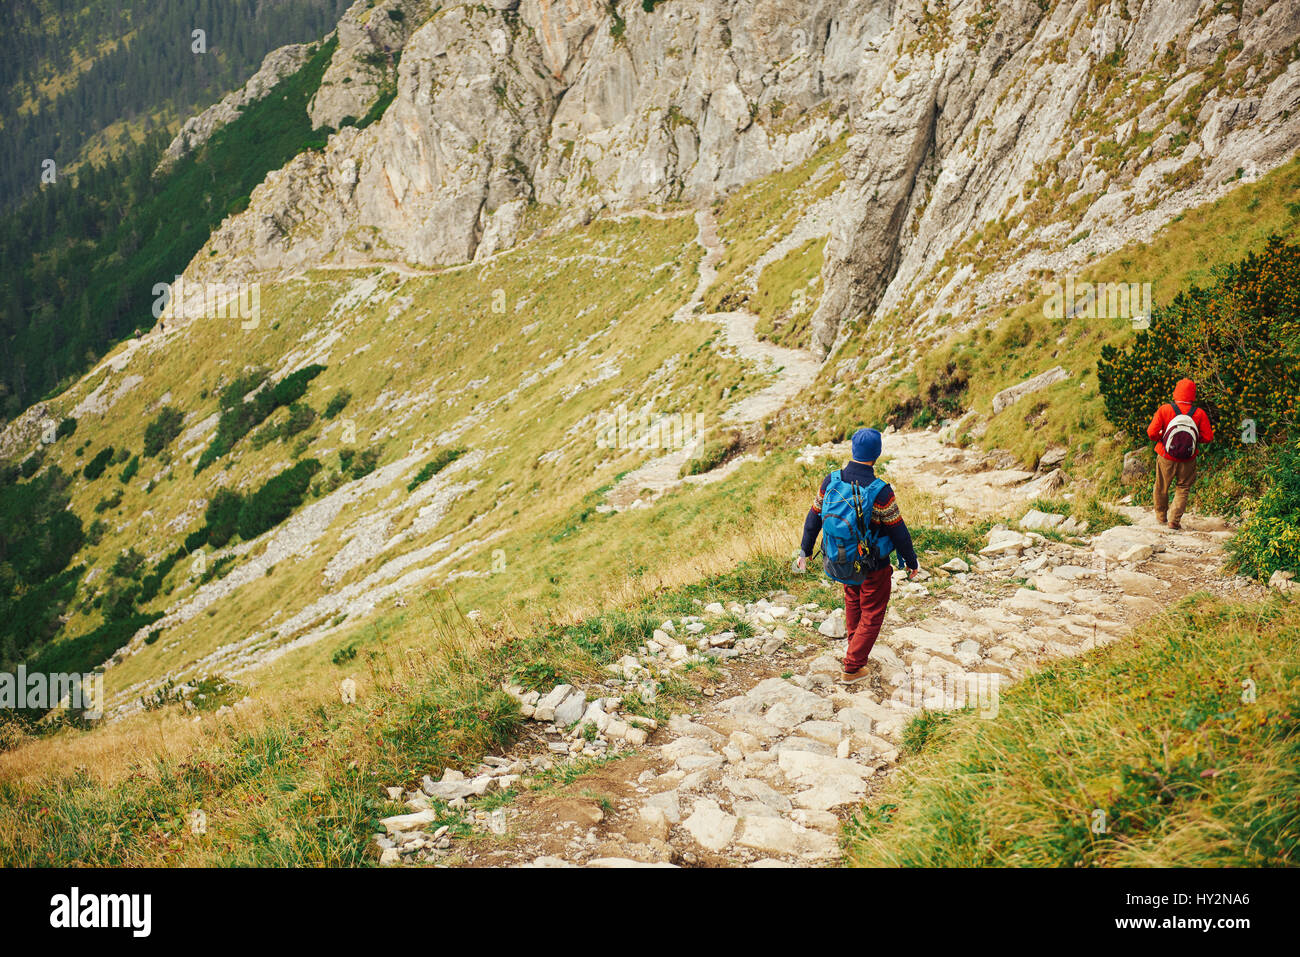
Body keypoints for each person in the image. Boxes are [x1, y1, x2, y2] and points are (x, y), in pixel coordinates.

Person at [794, 427, 919, 685]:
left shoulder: (831, 480)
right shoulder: (880, 490)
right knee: (872, 613)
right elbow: (898, 529)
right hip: (874, 563)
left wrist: (804, 551)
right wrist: (910, 561)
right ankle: (852, 667)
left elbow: (813, 518)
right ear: (877, 453)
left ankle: (855, 648)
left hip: (841, 558)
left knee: (853, 599)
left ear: (853, 450)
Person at [1146, 378, 1214, 530]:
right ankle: (1174, 521)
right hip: (1188, 458)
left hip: (1165, 455)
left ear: (1176, 392)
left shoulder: (1165, 409)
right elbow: (1208, 437)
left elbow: (1151, 432)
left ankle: (1161, 516)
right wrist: (1195, 439)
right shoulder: (1199, 413)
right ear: (1193, 395)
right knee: (1183, 487)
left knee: (1161, 486)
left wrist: (1161, 438)